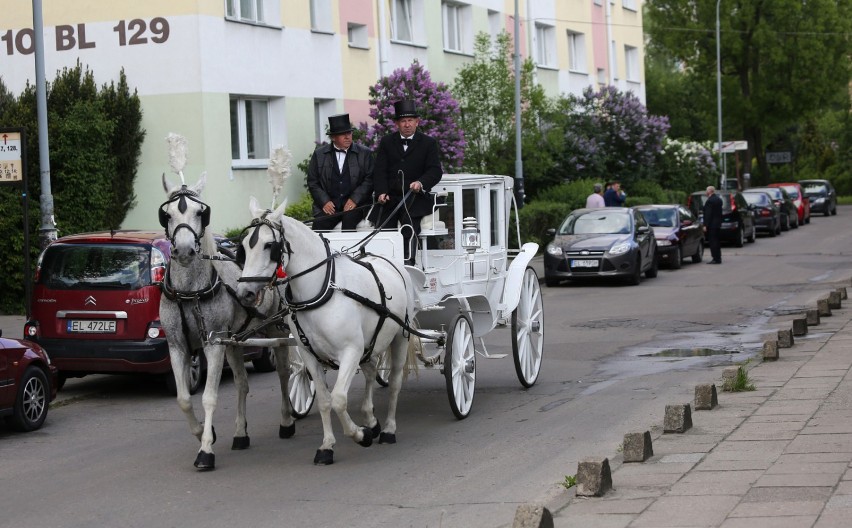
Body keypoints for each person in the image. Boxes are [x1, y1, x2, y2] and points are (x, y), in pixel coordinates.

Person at [372, 100, 443, 265]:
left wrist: (421, 182)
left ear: (417, 122)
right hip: (390, 198)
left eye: (410, 120)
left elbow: (435, 171)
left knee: (408, 227)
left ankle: (408, 263)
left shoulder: (428, 143)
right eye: (403, 121)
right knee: (384, 229)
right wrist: (381, 191)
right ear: (397, 123)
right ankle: (383, 264)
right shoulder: (387, 142)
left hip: (414, 198)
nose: (407, 124)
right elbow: (379, 171)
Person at [306, 113, 374, 231]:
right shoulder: (319, 154)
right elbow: (313, 181)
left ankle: (348, 250)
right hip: (330, 205)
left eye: (349, 133)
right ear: (333, 137)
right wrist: (324, 201)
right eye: (343, 134)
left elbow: (370, 179)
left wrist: (355, 199)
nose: (347, 137)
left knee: (348, 223)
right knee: (319, 226)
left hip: (356, 206)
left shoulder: (365, 153)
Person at [703, 185, 723, 264]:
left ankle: (715, 258)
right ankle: (718, 257)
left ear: (709, 191)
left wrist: (705, 225)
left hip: (712, 225)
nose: (706, 192)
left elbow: (708, 214)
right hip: (718, 224)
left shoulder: (710, 201)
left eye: (706, 191)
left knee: (713, 241)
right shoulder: (719, 200)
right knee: (717, 241)